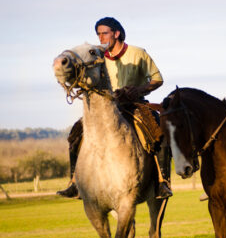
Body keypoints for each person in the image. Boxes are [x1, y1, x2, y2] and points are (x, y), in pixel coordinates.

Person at [57, 17, 173, 199]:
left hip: (136, 105)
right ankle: (74, 182)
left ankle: (162, 182)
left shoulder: (138, 53)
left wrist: (139, 89)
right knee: (75, 134)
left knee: (158, 135)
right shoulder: (97, 58)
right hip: (107, 108)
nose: (101, 38)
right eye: (98, 34)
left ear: (116, 33)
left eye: (104, 33)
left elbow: (158, 79)